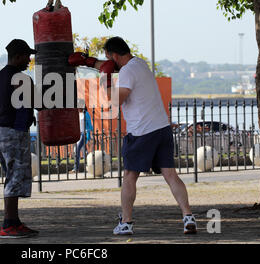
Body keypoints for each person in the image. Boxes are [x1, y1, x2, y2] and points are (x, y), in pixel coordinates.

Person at [68, 36, 197, 235]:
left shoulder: (127, 71)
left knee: (129, 177)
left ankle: (126, 223)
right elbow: (113, 65)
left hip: (142, 132)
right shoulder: (139, 64)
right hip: (162, 128)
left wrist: (105, 78)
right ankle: (188, 216)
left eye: (108, 57)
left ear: (114, 55)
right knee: (170, 175)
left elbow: (115, 100)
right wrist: (90, 62)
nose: (108, 62)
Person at [0, 39, 40, 239]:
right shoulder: (20, 79)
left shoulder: (2, 75)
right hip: (13, 130)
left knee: (11, 175)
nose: (29, 60)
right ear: (19, 56)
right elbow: (39, 102)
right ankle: (8, 224)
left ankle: (14, 221)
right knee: (15, 176)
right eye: (27, 56)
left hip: (3, 129)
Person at [70, 102, 93, 174]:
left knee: (77, 149)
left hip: (84, 134)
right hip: (77, 134)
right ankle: (90, 166)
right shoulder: (76, 114)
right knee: (84, 152)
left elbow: (90, 126)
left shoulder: (86, 114)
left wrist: (89, 136)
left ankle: (75, 168)